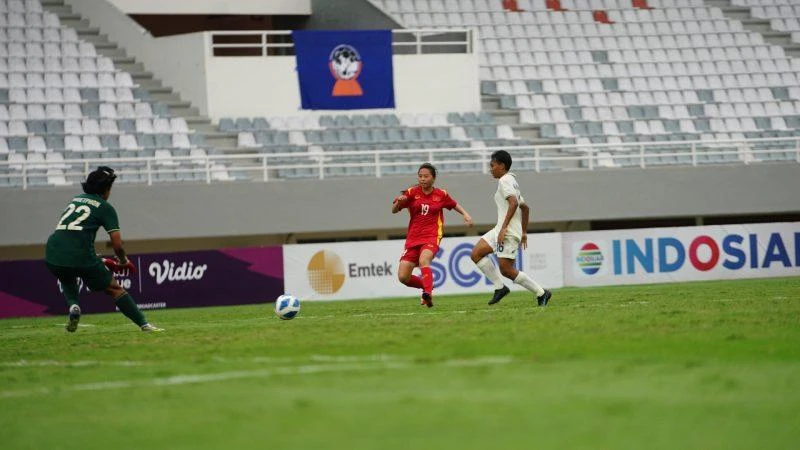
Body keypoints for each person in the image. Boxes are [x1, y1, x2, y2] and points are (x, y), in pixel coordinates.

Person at [45, 166, 163, 332]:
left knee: (67, 276)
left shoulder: (76, 199)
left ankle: (73, 306)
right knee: (115, 289)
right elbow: (117, 244)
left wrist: (101, 259)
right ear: (106, 189)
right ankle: (144, 324)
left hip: (52, 253)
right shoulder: (105, 207)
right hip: (80, 256)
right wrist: (123, 260)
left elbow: (71, 240)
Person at [470, 150, 552, 306]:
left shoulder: (505, 181)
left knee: (506, 270)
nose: (490, 169)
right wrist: (525, 232)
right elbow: (525, 208)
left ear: (501, 166)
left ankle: (542, 293)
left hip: (506, 232)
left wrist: (504, 229)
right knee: (476, 254)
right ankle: (500, 288)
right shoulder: (512, 182)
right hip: (501, 229)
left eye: (492, 165)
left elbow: (514, 203)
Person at [392, 163, 473, 307]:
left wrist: (465, 214)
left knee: (424, 260)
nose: (422, 179)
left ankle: (427, 294)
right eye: (420, 176)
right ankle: (427, 286)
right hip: (413, 238)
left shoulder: (441, 194)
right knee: (403, 277)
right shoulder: (411, 192)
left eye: (426, 176)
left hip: (432, 235)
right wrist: (399, 202)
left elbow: (454, 204)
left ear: (433, 178)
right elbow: (394, 210)